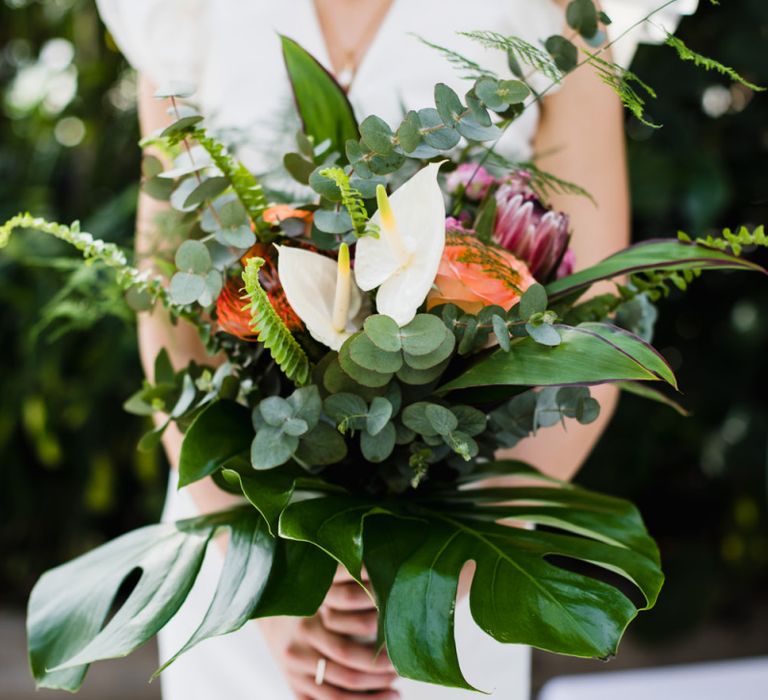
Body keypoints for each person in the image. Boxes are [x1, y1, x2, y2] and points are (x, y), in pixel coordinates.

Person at [95, 1, 696, 698]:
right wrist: (260, 574)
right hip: (238, 528)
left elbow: (594, 326)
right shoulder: (178, 11)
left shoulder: (565, 14)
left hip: (458, 539)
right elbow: (166, 300)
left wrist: (448, 567)